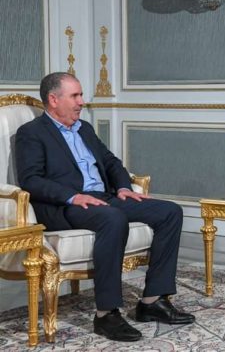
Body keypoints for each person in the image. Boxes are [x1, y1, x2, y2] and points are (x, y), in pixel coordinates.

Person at [16, 72, 195, 342]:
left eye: (80, 95)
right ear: (53, 99)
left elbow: (110, 162)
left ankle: (152, 301)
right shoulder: (31, 133)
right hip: (66, 205)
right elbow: (31, 179)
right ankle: (106, 314)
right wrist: (73, 197)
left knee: (170, 212)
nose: (81, 101)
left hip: (103, 197)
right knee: (113, 218)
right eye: (75, 96)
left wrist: (123, 187)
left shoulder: (84, 128)